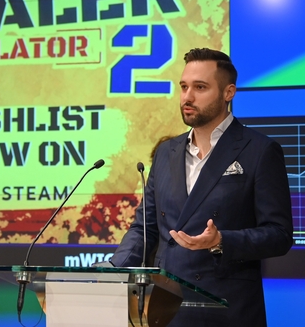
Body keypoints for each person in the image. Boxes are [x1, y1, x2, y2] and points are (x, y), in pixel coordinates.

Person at [110, 48, 293, 327]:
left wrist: (221, 241)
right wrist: (114, 269)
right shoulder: (166, 153)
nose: (188, 97)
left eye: (200, 87)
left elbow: (279, 234)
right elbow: (144, 228)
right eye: (184, 87)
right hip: (166, 309)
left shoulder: (259, 150)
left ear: (228, 92)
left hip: (227, 310)